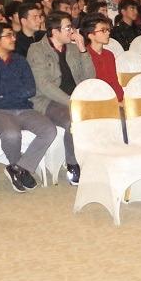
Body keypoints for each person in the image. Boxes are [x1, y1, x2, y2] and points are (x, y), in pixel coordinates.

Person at [0, 22, 57, 192]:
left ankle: (19, 168)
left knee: (49, 130)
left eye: (13, 35)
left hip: (23, 108)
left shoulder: (20, 60)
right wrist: (14, 91)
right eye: (9, 35)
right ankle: (17, 167)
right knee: (11, 134)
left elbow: (30, 89)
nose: (14, 38)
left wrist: (5, 94)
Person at [24, 12, 90, 184]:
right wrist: (71, 102)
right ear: (54, 31)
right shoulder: (37, 50)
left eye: (71, 27)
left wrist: (83, 49)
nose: (72, 31)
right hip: (47, 101)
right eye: (68, 28)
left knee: (102, 114)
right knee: (71, 120)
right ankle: (73, 164)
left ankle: (93, 159)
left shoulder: (73, 49)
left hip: (77, 97)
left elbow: (90, 77)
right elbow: (44, 85)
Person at [81, 12, 124, 100]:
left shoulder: (109, 54)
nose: (108, 33)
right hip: (97, 100)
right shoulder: (84, 56)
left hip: (115, 99)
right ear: (91, 35)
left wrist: (121, 99)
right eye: (103, 30)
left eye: (108, 30)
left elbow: (115, 82)